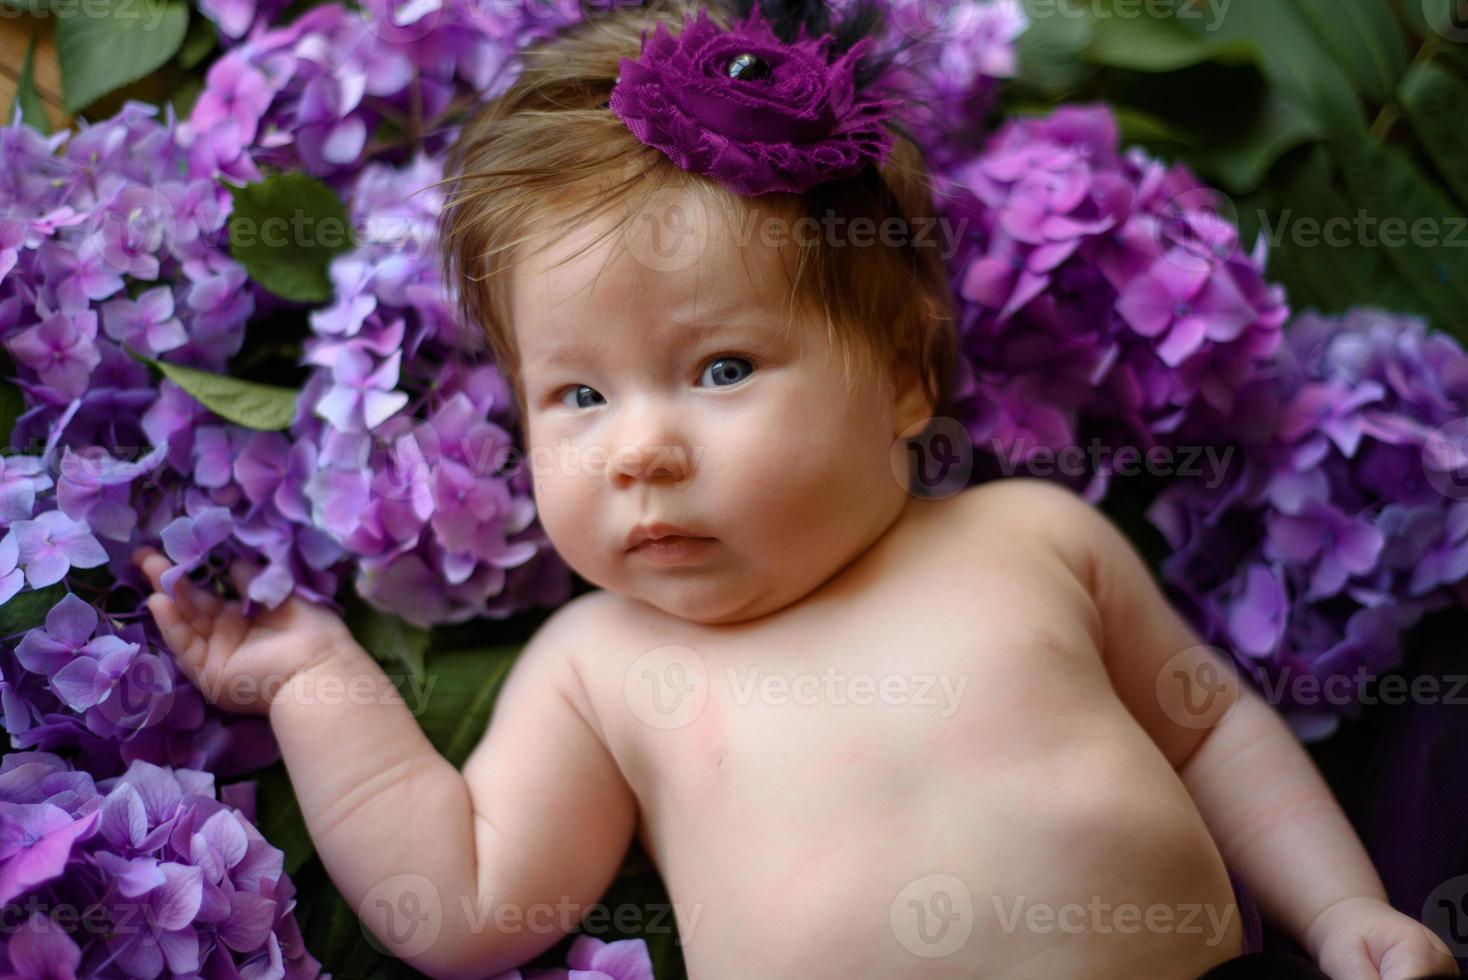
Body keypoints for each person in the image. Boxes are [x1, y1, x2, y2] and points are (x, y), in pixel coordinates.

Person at [133, 0, 1462, 975]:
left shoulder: (1028, 536)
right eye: (578, 396)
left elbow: (1210, 733)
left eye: (719, 366)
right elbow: (468, 902)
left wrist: (1340, 908)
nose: (637, 449)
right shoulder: (597, 664)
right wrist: (315, 688)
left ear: (899, 376)